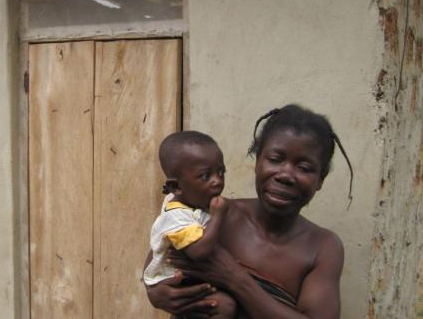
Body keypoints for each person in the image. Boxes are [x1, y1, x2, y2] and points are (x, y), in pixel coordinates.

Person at [145, 104, 353, 319]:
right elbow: (159, 263)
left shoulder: (323, 247)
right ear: (257, 162)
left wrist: (234, 278)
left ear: (320, 180)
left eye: (304, 168)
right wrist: (156, 292)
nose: (285, 175)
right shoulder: (212, 215)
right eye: (275, 159)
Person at [143, 131, 236, 319]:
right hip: (176, 282)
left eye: (221, 172)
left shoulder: (190, 201)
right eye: (205, 176)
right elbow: (200, 252)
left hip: (192, 277)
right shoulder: (177, 217)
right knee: (224, 306)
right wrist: (218, 217)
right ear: (177, 187)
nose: (217, 181)